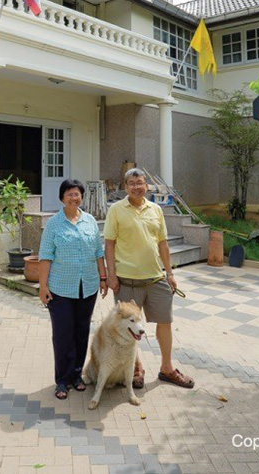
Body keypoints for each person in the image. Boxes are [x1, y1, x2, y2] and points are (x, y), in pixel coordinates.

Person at [104, 168, 194, 390]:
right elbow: (109, 244)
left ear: (147, 186)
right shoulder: (116, 210)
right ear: (126, 187)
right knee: (128, 328)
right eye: (132, 183)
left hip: (155, 279)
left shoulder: (156, 209)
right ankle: (136, 368)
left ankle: (166, 368)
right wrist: (111, 276)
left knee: (165, 322)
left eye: (140, 182)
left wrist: (170, 273)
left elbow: (163, 243)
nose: (137, 186)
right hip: (126, 281)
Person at [38, 179, 108, 400]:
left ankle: (77, 375)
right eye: (69, 194)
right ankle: (62, 380)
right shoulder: (53, 224)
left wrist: (103, 277)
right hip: (60, 289)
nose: (73, 197)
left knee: (81, 332)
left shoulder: (89, 221)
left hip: (87, 287)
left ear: (81, 197)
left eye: (77, 194)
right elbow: (45, 256)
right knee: (62, 334)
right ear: (62, 197)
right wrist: (43, 286)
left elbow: (98, 252)